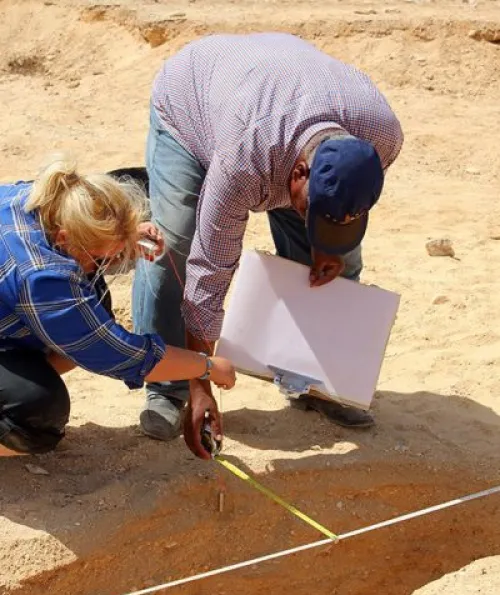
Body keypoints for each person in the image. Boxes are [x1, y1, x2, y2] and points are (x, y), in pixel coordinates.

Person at [133, 32, 404, 459]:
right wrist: (201, 382)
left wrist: (327, 247)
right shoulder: (245, 160)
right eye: (313, 212)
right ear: (297, 174)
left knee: (341, 264)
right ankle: (168, 387)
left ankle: (312, 380)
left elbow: (344, 204)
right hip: (193, 101)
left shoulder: (381, 136)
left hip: (276, 92)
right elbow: (210, 272)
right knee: (177, 243)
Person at [0, 157, 235, 458]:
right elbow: (116, 353)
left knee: (93, 299)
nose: (108, 265)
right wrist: (207, 366)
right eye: (99, 258)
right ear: (64, 238)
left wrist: (122, 240)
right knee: (35, 409)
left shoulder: (42, 199)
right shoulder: (42, 279)